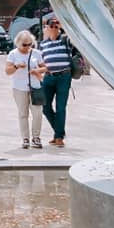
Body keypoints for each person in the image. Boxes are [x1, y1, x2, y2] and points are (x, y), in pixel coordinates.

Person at [5, 30, 47, 149]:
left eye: (30, 44)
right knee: (23, 114)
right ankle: (25, 138)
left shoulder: (36, 53)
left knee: (37, 114)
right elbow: (7, 71)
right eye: (24, 45)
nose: (27, 47)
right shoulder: (13, 54)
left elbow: (45, 68)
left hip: (35, 87)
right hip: (19, 88)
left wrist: (37, 71)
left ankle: (36, 137)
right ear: (18, 43)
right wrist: (17, 66)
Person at [39, 16, 73, 147]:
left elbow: (76, 39)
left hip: (64, 77)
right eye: (50, 26)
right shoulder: (42, 44)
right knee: (45, 106)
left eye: (55, 26)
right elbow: (39, 61)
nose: (53, 28)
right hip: (48, 77)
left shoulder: (65, 40)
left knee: (60, 107)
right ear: (46, 28)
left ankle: (58, 137)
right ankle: (59, 132)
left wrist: (63, 26)